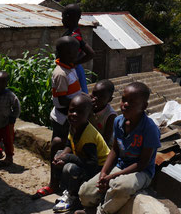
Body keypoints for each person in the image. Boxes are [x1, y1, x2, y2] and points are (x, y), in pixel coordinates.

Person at [77, 82, 161, 214]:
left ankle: (102, 212)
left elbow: (142, 163)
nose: (125, 104)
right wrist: (104, 173)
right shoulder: (118, 121)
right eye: (124, 99)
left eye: (132, 102)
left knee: (120, 187)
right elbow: (115, 150)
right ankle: (91, 208)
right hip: (121, 165)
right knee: (86, 192)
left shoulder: (150, 129)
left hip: (142, 172)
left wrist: (114, 176)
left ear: (144, 106)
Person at [33, 36, 83, 199]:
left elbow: (88, 54)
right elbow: (62, 101)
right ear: (65, 54)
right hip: (63, 119)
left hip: (70, 115)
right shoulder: (60, 73)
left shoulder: (70, 66)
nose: (77, 55)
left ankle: (63, 182)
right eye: (74, 52)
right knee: (59, 147)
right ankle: (54, 183)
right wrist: (82, 103)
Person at [53, 93, 110, 213]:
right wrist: (62, 156)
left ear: (88, 115)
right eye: (71, 111)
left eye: (79, 112)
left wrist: (68, 157)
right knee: (59, 154)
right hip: (86, 160)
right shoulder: (74, 126)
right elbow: (69, 144)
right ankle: (68, 189)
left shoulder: (88, 136)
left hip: (100, 168)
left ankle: (75, 198)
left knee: (71, 167)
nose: (74, 115)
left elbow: (91, 163)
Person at [62, 4, 95, 94]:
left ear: (68, 17)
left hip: (75, 70)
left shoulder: (74, 36)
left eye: (63, 17)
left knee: (79, 95)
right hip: (73, 69)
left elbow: (91, 53)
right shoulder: (71, 32)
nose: (62, 20)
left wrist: (74, 63)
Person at [89, 80, 116, 146]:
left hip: (103, 146)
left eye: (101, 96)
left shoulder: (110, 115)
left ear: (109, 99)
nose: (95, 98)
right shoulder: (87, 105)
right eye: (94, 93)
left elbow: (106, 139)